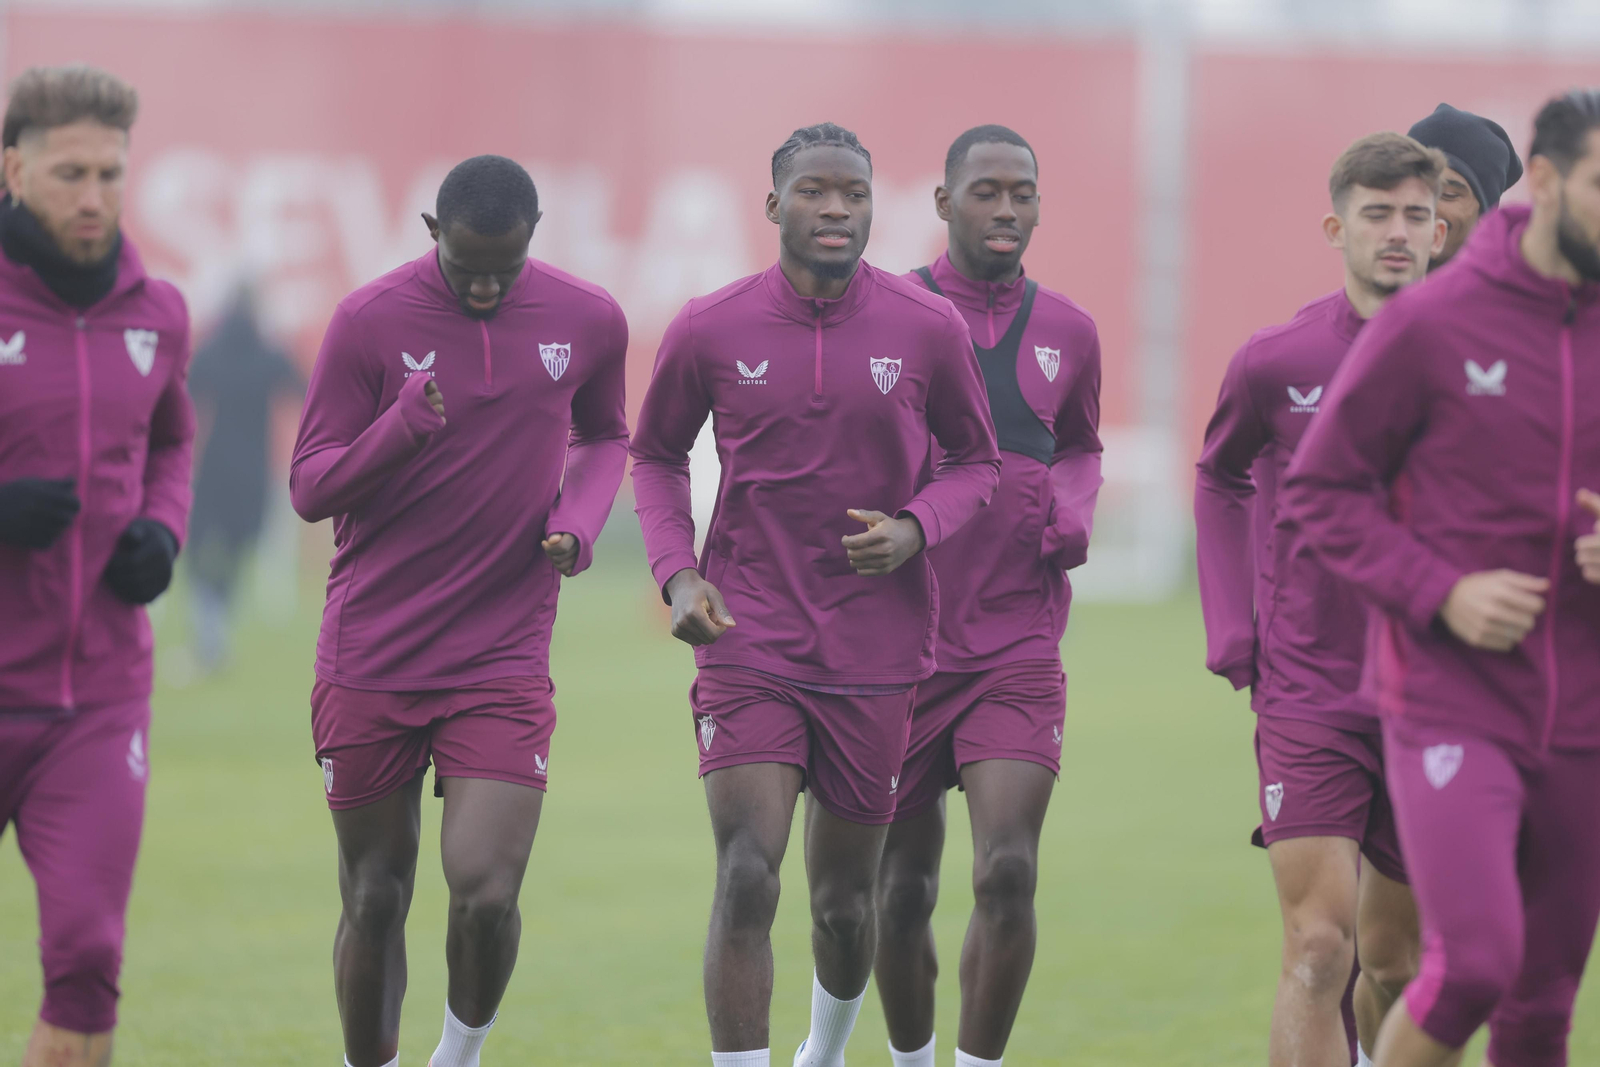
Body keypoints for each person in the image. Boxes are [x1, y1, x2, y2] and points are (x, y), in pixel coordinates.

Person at [629, 122, 1000, 1067]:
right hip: (746, 637)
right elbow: (657, 453)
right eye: (814, 192)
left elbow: (976, 462)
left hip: (877, 655)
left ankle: (824, 1050)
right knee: (748, 873)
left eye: (854, 194)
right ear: (773, 205)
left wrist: (916, 526)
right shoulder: (712, 324)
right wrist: (677, 573)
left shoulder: (926, 327)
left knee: (844, 903)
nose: (836, 209)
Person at [1283, 89, 1600, 1067]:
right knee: (1470, 964)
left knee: (1542, 1002)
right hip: (1449, 696)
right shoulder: (1433, 317)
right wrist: (1442, 591)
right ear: (1543, 183)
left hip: (1585, 712)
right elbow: (1321, 492)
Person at [290, 155, 628, 1067]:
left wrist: (579, 522)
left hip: (501, 656)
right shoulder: (369, 320)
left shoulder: (588, 317)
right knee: (373, 894)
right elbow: (310, 488)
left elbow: (605, 436)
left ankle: (458, 1052)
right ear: (432, 234)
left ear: (533, 238)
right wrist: (398, 425)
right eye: (464, 265)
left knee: (484, 892)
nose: (483, 285)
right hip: (373, 653)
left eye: (503, 267)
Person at [1195, 132, 1446, 1067]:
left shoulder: (1481, 358)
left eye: (1414, 215)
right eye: (1377, 214)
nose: (1396, 232)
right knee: (1318, 946)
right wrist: (1233, 628)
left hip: (1438, 694)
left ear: (1439, 228)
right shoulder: (1275, 360)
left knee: (1403, 954)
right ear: (1338, 225)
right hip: (1307, 690)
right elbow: (1217, 479)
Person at [872, 124, 1102, 1067]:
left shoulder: (1070, 330)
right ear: (943, 203)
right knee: (899, 892)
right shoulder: (890, 312)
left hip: (1015, 645)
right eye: (987, 192)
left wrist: (1074, 508)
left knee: (1007, 869)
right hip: (894, 650)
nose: (1008, 211)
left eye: (1024, 194)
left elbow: (1082, 445)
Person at [0, 66, 194, 1067]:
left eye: (110, 172)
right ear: (12, 168)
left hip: (98, 699)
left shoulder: (157, 311)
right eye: (70, 171)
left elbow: (172, 444)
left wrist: (162, 527)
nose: (92, 194)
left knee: (86, 957)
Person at [187, 284, 303, 672]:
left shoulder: (210, 352)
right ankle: (215, 623)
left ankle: (210, 623)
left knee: (199, 548)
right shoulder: (269, 355)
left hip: (212, 469)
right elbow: (307, 393)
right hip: (253, 471)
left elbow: (182, 401)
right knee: (234, 552)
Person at [1407, 103, 1523, 269]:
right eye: (1414, 189)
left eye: (1448, 194)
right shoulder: (1367, 284)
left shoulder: (1504, 292)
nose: (1426, 206)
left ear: (1485, 215)